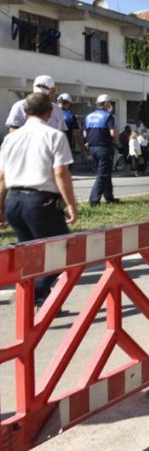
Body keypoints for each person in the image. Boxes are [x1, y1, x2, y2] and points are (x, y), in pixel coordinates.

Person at [0, 93, 78, 307]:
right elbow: (61, 173)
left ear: (25, 111)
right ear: (50, 111)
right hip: (39, 202)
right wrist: (70, 204)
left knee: (30, 258)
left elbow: (2, 177)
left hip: (14, 200)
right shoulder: (54, 136)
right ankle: (35, 295)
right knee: (63, 252)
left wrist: (1, 206)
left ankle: (40, 300)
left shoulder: (10, 138)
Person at [84, 94, 120, 206]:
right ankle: (94, 201)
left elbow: (85, 133)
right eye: (110, 102)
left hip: (92, 148)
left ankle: (109, 197)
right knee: (102, 174)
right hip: (104, 148)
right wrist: (117, 134)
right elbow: (113, 134)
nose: (111, 105)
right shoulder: (108, 116)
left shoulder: (89, 116)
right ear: (105, 103)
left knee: (106, 173)